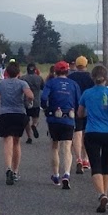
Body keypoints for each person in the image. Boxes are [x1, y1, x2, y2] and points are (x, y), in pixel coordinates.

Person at [75, 62, 108, 212]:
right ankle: (105, 194)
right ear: (106, 78)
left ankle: (101, 194)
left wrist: (87, 113)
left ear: (92, 77)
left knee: (95, 164)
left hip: (92, 131)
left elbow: (80, 113)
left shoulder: (87, 93)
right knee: (106, 163)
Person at [0, 60, 33, 184]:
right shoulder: (22, 83)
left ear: (7, 73)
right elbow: (30, 95)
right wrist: (28, 101)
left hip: (5, 114)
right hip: (19, 113)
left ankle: (8, 168)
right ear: (18, 73)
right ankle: (15, 171)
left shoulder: (1, 84)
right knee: (16, 142)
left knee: (7, 141)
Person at [40, 60, 80, 188]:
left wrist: (45, 108)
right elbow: (78, 101)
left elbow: (43, 98)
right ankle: (66, 174)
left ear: (56, 71)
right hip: (69, 117)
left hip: (54, 117)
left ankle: (56, 175)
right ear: (67, 71)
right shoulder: (73, 84)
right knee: (67, 147)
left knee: (54, 146)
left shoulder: (51, 83)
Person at [69, 55, 96, 173]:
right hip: (89, 108)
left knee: (77, 133)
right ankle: (86, 159)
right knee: (87, 133)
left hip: (75, 107)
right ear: (86, 65)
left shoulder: (71, 77)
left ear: (76, 64)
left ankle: (78, 158)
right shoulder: (91, 78)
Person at [22, 62, 44, 141]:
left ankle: (29, 137)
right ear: (35, 70)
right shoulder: (39, 78)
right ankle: (34, 125)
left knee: (26, 120)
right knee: (35, 118)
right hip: (36, 101)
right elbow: (42, 88)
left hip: (26, 101)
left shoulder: (23, 78)